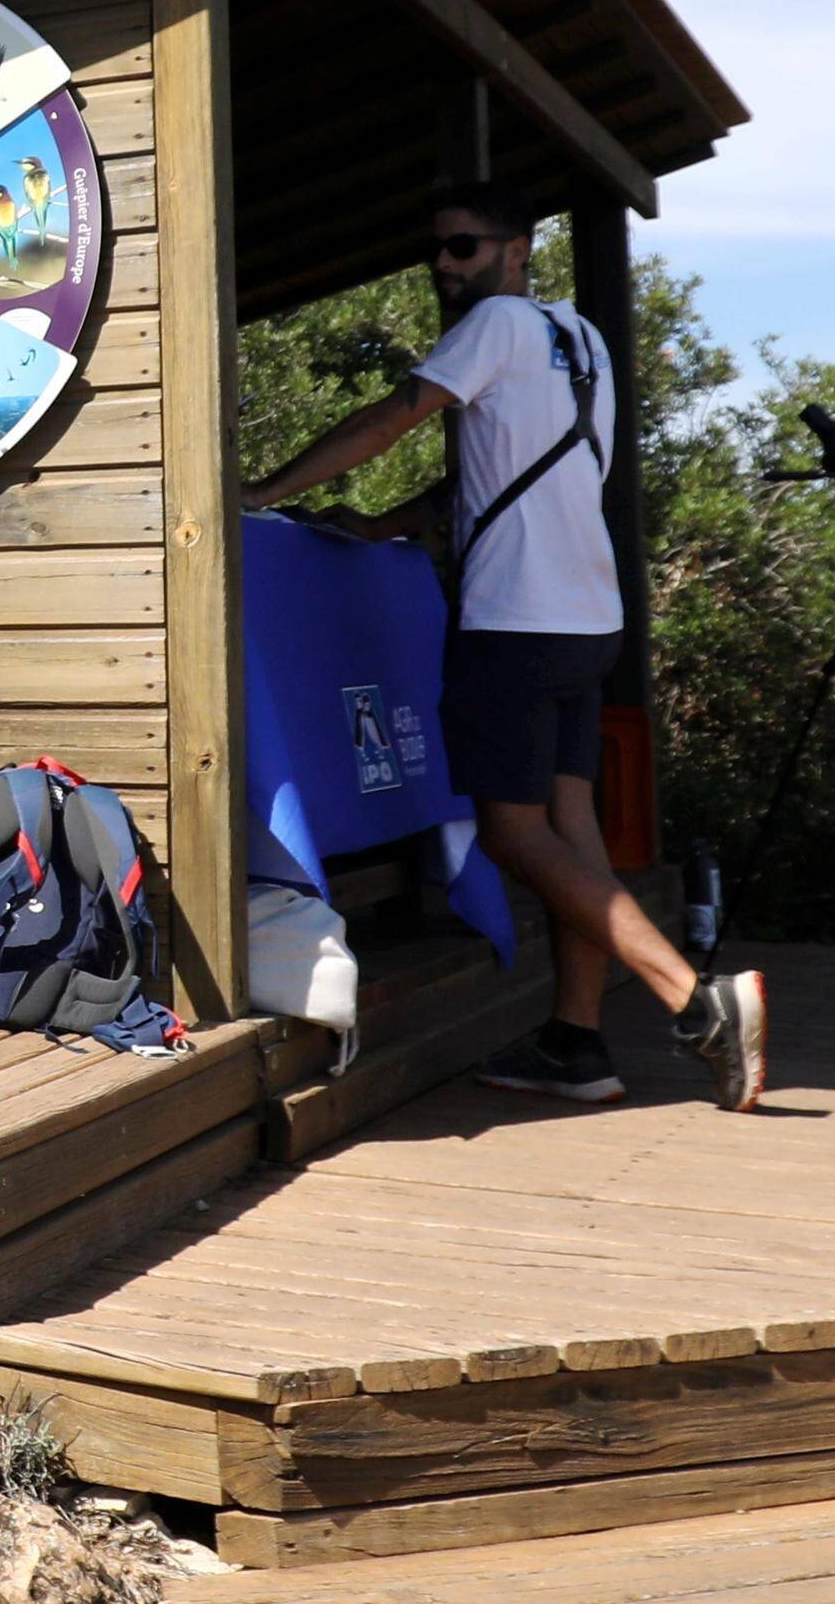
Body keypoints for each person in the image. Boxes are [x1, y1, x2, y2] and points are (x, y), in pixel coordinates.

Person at [237, 183, 766, 1110]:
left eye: (464, 247)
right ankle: (577, 1042)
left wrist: (260, 493)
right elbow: (499, 480)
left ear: (518, 249)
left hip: (515, 622)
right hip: (588, 619)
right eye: (437, 249)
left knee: (511, 833)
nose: (445, 265)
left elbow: (391, 416)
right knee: (572, 834)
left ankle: (696, 998)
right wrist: (382, 526)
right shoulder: (582, 341)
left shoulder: (496, 325)